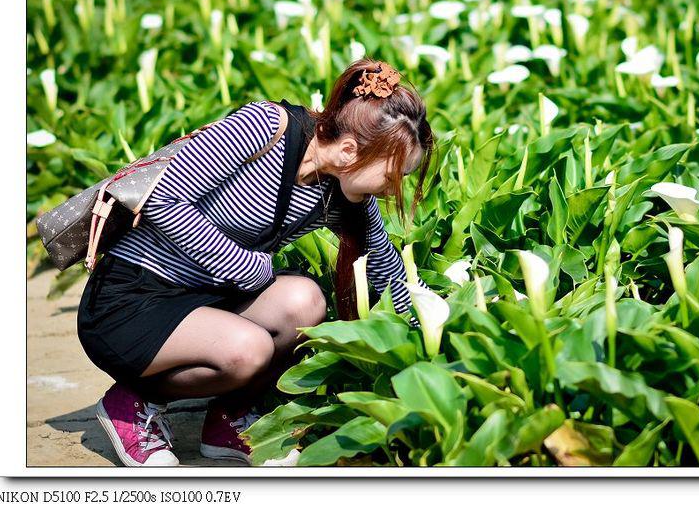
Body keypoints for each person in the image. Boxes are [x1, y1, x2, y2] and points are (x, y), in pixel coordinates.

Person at [76, 59, 436, 467]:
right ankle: (131, 404)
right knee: (249, 350)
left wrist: (425, 347)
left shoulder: (340, 190)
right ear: (350, 149)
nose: (394, 191)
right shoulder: (266, 126)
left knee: (305, 302)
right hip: (133, 296)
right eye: (392, 176)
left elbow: (383, 270)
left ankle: (229, 419)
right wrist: (252, 268)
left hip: (206, 303)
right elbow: (163, 200)